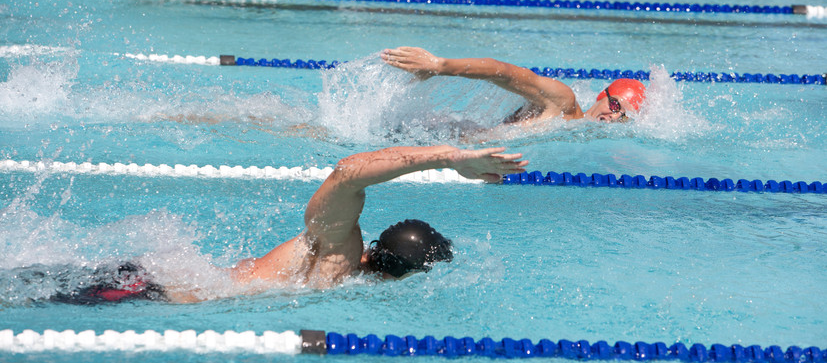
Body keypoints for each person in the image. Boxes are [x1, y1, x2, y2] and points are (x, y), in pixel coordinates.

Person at [50, 145, 528, 304]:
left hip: (140, 283)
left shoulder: (345, 264)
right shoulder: (340, 254)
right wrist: (448, 158)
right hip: (138, 290)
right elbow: (346, 173)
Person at [381, 46, 647, 125]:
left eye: (623, 116)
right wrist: (440, 66)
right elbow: (505, 72)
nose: (614, 116)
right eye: (615, 105)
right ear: (603, 95)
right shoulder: (564, 103)